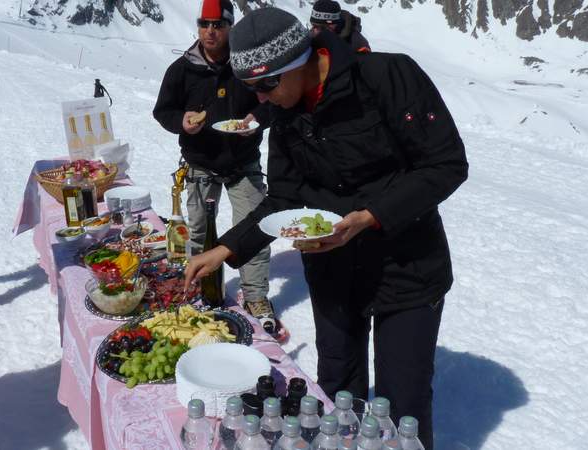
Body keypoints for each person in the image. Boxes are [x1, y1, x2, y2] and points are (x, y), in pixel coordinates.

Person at [185, 8, 468, 449]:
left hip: (407, 265)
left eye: (266, 85)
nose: (261, 99)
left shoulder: (387, 76)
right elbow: (282, 199)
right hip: (334, 268)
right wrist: (224, 250)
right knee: (338, 391)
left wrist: (371, 216)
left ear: (299, 62)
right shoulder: (284, 113)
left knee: (401, 405)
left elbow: (446, 164)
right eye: (251, 88)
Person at [153, 0, 280, 338]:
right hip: (199, 163)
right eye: (204, 23)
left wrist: (256, 120)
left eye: (218, 25)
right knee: (196, 233)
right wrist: (182, 122)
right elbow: (162, 110)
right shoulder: (182, 69)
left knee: (255, 229)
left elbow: (271, 100)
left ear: (230, 28)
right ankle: (198, 290)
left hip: (242, 162)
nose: (210, 31)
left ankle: (255, 297)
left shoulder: (245, 66)